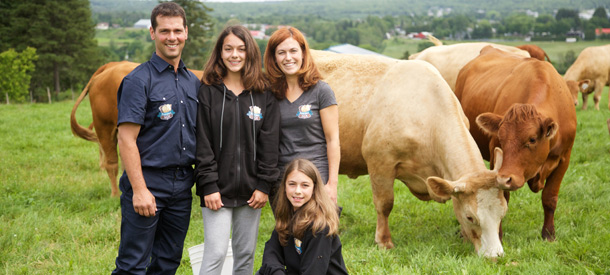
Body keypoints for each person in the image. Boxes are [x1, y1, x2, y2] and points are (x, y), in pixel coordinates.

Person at [113, 2, 200, 274]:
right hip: (148, 182)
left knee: (167, 263)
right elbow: (126, 140)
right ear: (152, 33)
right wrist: (139, 190)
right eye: (164, 31)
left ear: (186, 32)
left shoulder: (192, 82)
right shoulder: (138, 81)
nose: (171, 37)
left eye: (177, 30)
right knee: (133, 265)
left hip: (183, 185)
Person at [195, 25, 280, 275]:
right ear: (220, 53)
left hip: (252, 192)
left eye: (241, 49)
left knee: (245, 255)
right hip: (216, 192)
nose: (235, 55)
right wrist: (208, 185)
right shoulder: (208, 91)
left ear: (250, 53)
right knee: (216, 253)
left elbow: (270, 145)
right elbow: (203, 143)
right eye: (228, 49)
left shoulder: (264, 94)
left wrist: (264, 185)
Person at [263, 27, 340, 206]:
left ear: (304, 53)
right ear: (274, 57)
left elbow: (333, 140)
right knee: (286, 232)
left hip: (315, 178)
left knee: (317, 232)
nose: (288, 58)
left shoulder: (321, 91)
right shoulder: (268, 93)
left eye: (293, 51)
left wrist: (332, 185)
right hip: (282, 181)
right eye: (281, 52)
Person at [257, 158, 348, 275]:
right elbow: (271, 252)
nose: (298, 191)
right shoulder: (288, 214)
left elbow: (314, 271)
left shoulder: (319, 226)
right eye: (292, 184)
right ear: (284, 186)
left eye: (305, 185)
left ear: (314, 188)